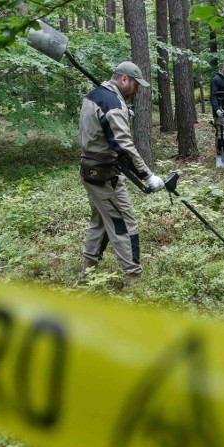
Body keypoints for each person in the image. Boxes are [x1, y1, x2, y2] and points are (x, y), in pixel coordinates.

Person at [78, 61, 165, 288]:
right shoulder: (112, 104)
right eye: (136, 85)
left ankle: (86, 275)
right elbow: (123, 144)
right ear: (125, 79)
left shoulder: (96, 95)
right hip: (105, 176)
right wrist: (147, 175)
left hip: (91, 170)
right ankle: (133, 280)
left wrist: (123, 111)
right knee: (124, 225)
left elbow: (102, 127)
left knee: (100, 222)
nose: (136, 90)